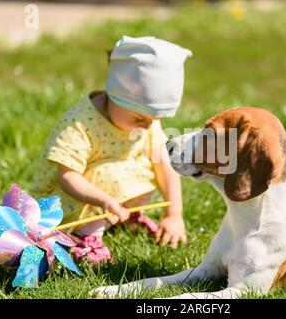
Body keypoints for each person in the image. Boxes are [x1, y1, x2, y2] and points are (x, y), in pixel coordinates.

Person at [32, 36, 192, 265]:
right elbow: (67, 176)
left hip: (106, 198)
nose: (148, 126)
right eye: (139, 118)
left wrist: (174, 214)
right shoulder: (81, 124)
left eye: (156, 119)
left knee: (152, 162)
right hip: (64, 201)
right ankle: (84, 235)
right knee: (112, 174)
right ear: (114, 96)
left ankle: (116, 217)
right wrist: (103, 200)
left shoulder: (143, 120)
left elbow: (163, 164)